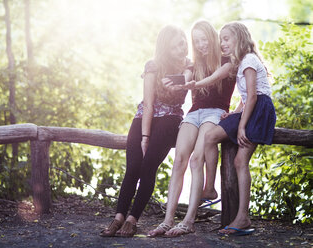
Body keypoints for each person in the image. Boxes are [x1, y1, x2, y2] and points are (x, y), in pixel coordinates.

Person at [99, 25, 192, 238]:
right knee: (132, 167)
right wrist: (145, 136)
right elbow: (149, 104)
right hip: (144, 118)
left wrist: (179, 79)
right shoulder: (153, 65)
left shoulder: (189, 66)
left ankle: (133, 220)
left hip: (170, 119)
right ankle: (118, 218)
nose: (182, 47)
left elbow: (188, 76)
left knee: (148, 166)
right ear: (166, 48)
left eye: (183, 42)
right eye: (177, 45)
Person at [148, 20, 236, 238]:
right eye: (196, 42)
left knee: (197, 159)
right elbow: (188, 77)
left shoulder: (228, 59)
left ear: (213, 37)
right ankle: (168, 220)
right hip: (194, 113)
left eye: (204, 39)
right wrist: (180, 83)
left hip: (215, 112)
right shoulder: (194, 64)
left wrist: (236, 111)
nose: (201, 45)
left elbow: (237, 84)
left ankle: (189, 220)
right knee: (179, 160)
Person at [203, 21, 276, 236]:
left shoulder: (250, 60)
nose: (222, 43)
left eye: (226, 39)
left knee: (239, 161)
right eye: (221, 40)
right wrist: (234, 113)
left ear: (240, 39)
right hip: (250, 109)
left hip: (260, 111)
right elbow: (245, 99)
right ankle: (209, 187)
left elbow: (253, 96)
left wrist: (241, 126)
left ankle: (243, 217)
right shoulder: (243, 62)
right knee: (210, 136)